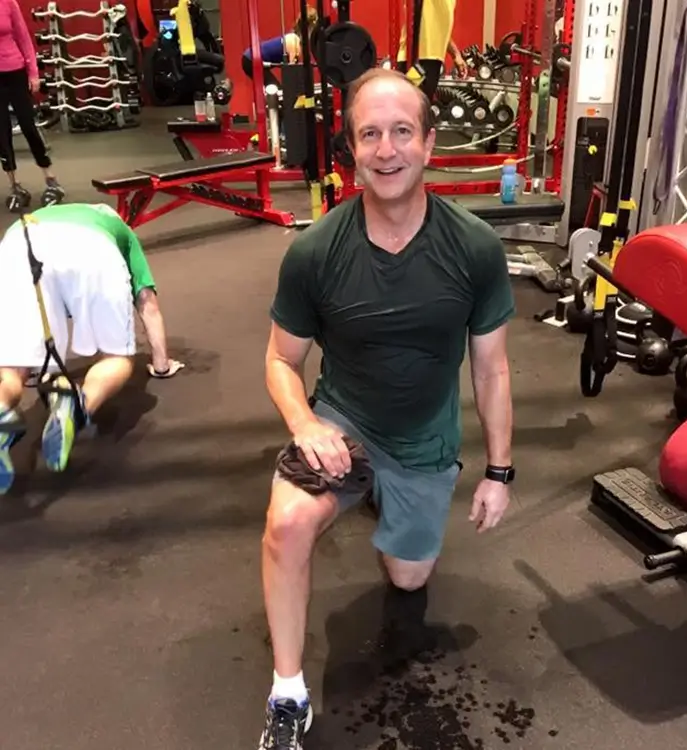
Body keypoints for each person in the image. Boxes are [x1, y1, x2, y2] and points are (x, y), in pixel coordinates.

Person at [259, 67, 515, 749]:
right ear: (351, 150)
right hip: (343, 423)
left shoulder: (474, 249)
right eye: (370, 134)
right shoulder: (316, 252)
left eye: (402, 131)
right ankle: (287, 695)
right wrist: (306, 422)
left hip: (426, 440)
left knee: (408, 579)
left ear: (430, 143)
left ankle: (382, 497)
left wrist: (499, 471)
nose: (387, 150)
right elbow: (281, 361)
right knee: (287, 525)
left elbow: (491, 367)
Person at [0, 202, 183, 494]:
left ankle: (1, 408)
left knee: (11, 366)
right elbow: (147, 303)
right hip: (90, 249)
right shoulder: (119, 228)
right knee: (118, 358)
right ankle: (78, 401)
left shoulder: (48, 213)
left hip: (18, 243)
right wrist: (161, 364)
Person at [0, 0, 64, 208]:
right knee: (1, 133)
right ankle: (15, 185)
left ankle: (51, 179)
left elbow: (24, 38)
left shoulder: (8, 3)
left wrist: (34, 73)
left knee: (29, 126)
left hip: (15, 72)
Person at [396, 0, 468, 101]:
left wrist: (456, 54)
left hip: (432, 61)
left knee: (422, 108)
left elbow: (439, 30)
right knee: (410, 108)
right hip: (416, 60)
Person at [241, 6, 319, 88]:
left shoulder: (295, 40)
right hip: (251, 59)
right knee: (276, 91)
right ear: (310, 27)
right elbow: (291, 71)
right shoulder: (294, 41)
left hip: (250, 58)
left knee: (276, 89)